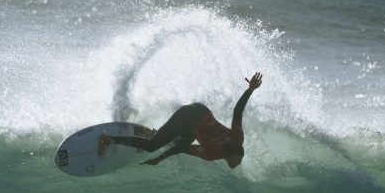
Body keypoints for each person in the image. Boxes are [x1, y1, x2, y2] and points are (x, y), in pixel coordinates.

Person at [98, 72, 263, 169]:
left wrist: (161, 158)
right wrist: (250, 89)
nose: (234, 165)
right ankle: (109, 139)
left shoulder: (212, 155)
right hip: (192, 116)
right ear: (231, 151)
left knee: (170, 143)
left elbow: (183, 147)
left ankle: (152, 134)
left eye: (236, 162)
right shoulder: (236, 138)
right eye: (235, 160)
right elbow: (238, 110)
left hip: (194, 123)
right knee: (151, 147)